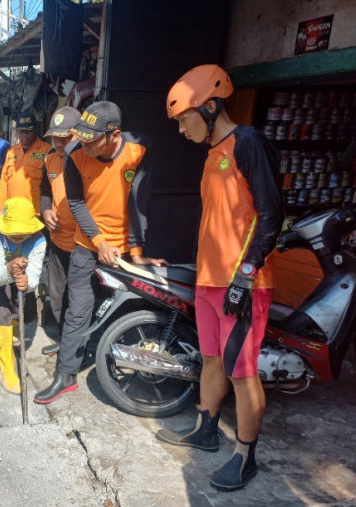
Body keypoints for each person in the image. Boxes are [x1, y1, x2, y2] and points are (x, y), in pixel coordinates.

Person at [155, 64, 283, 492]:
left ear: (209, 106)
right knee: (212, 359)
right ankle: (206, 429)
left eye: (183, 120)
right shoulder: (213, 152)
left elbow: (271, 213)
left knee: (242, 371)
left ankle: (245, 457)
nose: (180, 130)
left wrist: (246, 274)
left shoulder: (249, 143)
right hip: (209, 281)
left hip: (241, 284)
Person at [34, 101, 165, 405]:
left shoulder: (141, 150)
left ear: (114, 134)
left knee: (128, 305)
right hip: (87, 243)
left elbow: (141, 202)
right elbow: (77, 203)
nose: (84, 145)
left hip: (125, 244)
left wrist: (135, 251)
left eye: (91, 141)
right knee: (77, 308)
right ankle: (65, 375)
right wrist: (99, 241)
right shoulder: (74, 154)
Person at [0, 197, 46, 394]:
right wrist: (10, 269)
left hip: (22, 273)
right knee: (1, 308)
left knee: (25, 310)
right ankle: (6, 368)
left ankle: (14, 330)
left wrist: (27, 283)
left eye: (22, 235)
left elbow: (35, 275)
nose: (16, 238)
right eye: (12, 234)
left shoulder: (39, 241)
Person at [38, 106, 81, 354]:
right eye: (56, 137)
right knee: (57, 295)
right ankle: (65, 341)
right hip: (58, 243)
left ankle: (77, 347)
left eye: (66, 137)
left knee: (78, 299)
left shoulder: (89, 161)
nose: (61, 143)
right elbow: (45, 192)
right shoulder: (49, 159)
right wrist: (46, 212)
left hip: (84, 245)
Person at [0, 111, 51, 216]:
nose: (25, 135)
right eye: (21, 131)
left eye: (28, 131)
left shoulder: (47, 151)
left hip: (36, 213)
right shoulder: (11, 152)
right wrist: (1, 209)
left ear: (35, 130)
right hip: (13, 211)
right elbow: (4, 182)